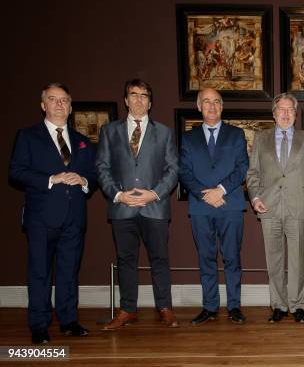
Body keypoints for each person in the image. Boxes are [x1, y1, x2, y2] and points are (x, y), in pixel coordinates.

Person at [9, 83, 96, 344]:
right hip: (41, 217)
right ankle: (39, 325)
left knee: (69, 271)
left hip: (74, 217)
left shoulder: (82, 141)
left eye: (64, 100)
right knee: (40, 272)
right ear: (43, 105)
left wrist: (83, 180)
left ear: (70, 107)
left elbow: (93, 175)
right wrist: (51, 178)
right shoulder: (28, 136)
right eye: (53, 99)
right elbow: (16, 172)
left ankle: (69, 321)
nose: (59, 104)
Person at [96, 79, 179, 330]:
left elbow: (173, 169)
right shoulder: (109, 131)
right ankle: (127, 310)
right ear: (126, 100)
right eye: (134, 94)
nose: (139, 99)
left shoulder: (164, 133)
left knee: (160, 259)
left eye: (144, 96)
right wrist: (119, 195)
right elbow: (102, 168)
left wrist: (153, 194)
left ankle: (164, 308)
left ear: (151, 102)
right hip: (122, 208)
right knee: (126, 260)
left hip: (155, 207)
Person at [246, 93, 304, 323]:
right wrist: (255, 197)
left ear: (296, 115)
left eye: (290, 110)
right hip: (268, 207)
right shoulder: (261, 138)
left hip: (297, 207)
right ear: (274, 113)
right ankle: (278, 305)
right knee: (274, 259)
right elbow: (253, 173)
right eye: (281, 109)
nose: (286, 114)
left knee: (297, 259)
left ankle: (298, 305)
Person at [179, 88, 249, 325]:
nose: (211, 106)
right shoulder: (188, 138)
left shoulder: (236, 134)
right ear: (198, 106)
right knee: (206, 258)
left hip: (230, 204)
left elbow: (242, 167)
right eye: (206, 102)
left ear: (222, 106)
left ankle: (234, 306)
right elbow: (184, 172)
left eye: (216, 102)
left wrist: (221, 190)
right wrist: (205, 195)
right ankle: (209, 307)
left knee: (232, 258)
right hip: (201, 207)